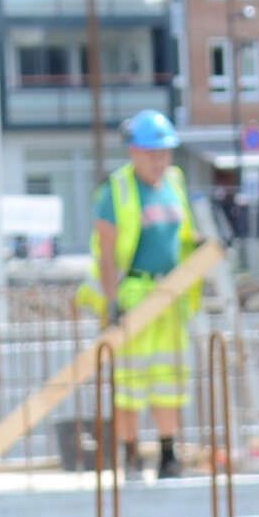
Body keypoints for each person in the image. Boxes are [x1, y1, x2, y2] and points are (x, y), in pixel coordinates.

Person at [84, 108, 206, 479]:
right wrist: (111, 303)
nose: (160, 161)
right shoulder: (117, 190)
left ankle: (169, 455)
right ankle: (132, 456)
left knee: (169, 379)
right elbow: (106, 254)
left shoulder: (175, 182)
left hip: (171, 295)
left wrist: (201, 245)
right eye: (153, 154)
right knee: (130, 385)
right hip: (134, 295)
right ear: (134, 152)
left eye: (165, 153)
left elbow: (181, 234)